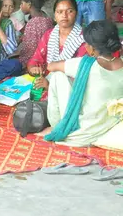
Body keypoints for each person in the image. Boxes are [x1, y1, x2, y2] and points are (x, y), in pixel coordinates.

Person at [40, 20, 123, 149]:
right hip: (110, 124)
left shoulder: (85, 64)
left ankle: (57, 126)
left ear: (93, 48)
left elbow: (51, 66)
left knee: (57, 76)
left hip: (85, 131)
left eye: (86, 44)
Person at [27, 0, 87, 90]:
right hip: (45, 80)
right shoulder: (49, 35)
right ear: (54, 16)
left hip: (70, 87)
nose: (64, 15)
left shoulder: (84, 39)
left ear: (76, 14)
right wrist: (33, 68)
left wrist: (50, 85)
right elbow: (35, 60)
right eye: (59, 12)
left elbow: (81, 72)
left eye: (70, 11)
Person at [17, 0, 54, 68]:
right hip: (48, 59)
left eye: (22, 3)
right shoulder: (46, 17)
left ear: (29, 4)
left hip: (36, 64)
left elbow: (30, 51)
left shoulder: (32, 23)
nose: (20, 6)